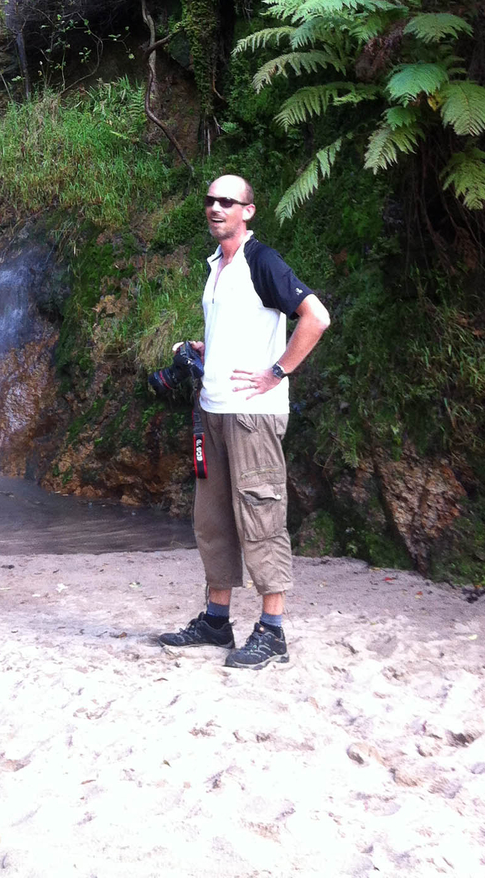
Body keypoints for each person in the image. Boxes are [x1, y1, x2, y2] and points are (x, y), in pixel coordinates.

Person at [158, 173, 329, 669]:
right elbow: (241, 331)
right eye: (211, 200)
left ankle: (272, 632)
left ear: (247, 212)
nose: (216, 208)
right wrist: (204, 352)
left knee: (261, 518)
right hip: (213, 412)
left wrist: (278, 371)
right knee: (212, 522)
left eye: (227, 202)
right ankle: (216, 620)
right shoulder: (217, 266)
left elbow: (315, 317)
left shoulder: (261, 261)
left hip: (253, 415)